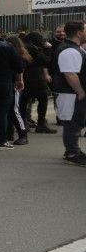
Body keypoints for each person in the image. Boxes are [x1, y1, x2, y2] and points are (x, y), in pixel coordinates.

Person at [52, 21, 86, 166]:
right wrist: (81, 92)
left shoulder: (74, 48)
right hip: (71, 94)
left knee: (75, 123)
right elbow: (70, 74)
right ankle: (72, 153)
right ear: (79, 33)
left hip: (72, 93)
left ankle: (74, 150)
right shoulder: (69, 50)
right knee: (72, 124)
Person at [22, 32, 55, 133]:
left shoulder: (24, 47)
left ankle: (23, 123)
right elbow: (46, 61)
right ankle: (40, 124)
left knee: (24, 101)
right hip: (35, 78)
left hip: (26, 77)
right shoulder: (33, 48)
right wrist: (48, 49)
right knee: (42, 99)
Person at [6, 36, 32, 145]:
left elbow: (19, 71)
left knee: (14, 111)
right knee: (10, 111)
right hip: (12, 84)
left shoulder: (19, 58)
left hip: (16, 86)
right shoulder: (20, 56)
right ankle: (9, 133)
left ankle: (23, 134)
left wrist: (19, 80)